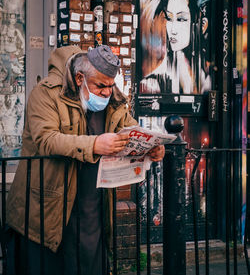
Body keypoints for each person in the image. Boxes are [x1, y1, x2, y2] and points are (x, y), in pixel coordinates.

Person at [5, 45, 165, 275]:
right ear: (80, 78)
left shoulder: (112, 98)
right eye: (100, 86)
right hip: (51, 204)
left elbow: (132, 129)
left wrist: (152, 148)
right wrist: (95, 144)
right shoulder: (47, 92)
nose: (107, 92)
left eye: (111, 86)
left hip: (93, 206)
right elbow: (45, 139)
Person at [140, 0, 211, 94]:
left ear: (202, 25)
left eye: (181, 19)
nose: (172, 30)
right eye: (169, 18)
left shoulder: (208, 78)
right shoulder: (153, 83)